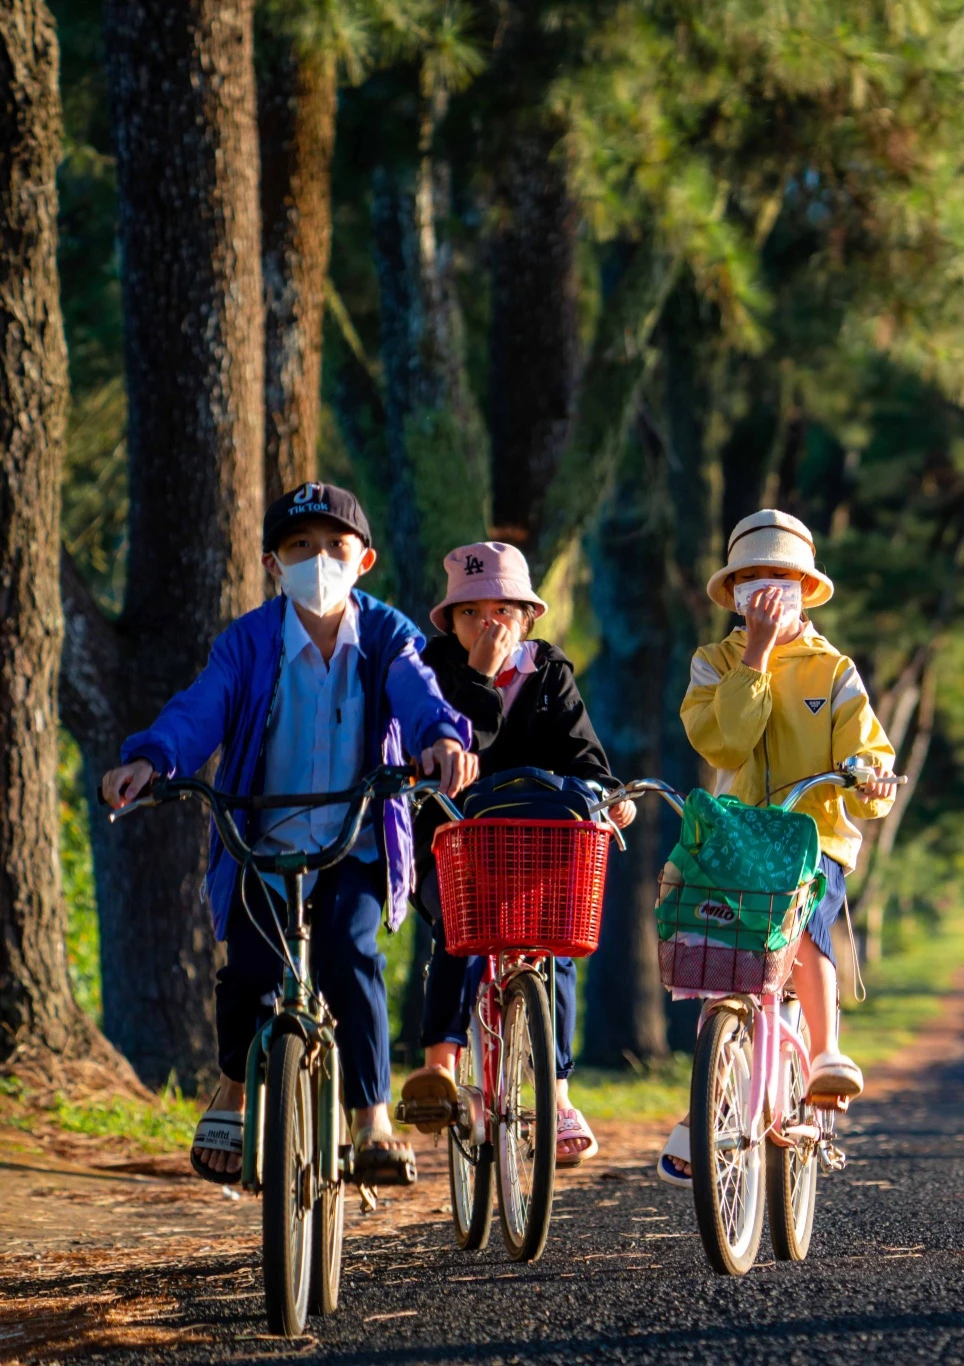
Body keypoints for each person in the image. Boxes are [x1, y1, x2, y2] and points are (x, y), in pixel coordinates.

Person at [100, 482, 478, 1185]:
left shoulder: (387, 634)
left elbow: (420, 693)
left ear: (364, 560)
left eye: (336, 547)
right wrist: (152, 758)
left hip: (354, 841)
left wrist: (441, 741)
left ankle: (372, 1119)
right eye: (299, 548)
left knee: (347, 951)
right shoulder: (248, 640)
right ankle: (235, 1090)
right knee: (246, 966)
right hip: (262, 840)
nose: (319, 561)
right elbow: (199, 710)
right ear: (273, 564)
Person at [659, 509, 900, 1187]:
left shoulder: (834, 670)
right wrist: (757, 659)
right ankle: (712, 1099)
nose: (767, 590)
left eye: (781, 576)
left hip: (809, 833)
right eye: (753, 577)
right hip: (735, 834)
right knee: (713, 952)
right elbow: (725, 743)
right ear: (734, 590)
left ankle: (824, 1054)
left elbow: (867, 755)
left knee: (804, 920)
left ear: (806, 585)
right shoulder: (713, 664)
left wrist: (871, 781)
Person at [397, 542, 636, 1167]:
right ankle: (441, 1070)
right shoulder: (431, 671)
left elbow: (584, 755)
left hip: (536, 852)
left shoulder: (548, 671)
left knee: (555, 947)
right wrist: (477, 678)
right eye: (472, 611)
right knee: (460, 932)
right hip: (455, 847)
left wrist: (609, 797)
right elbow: (439, 748)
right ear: (450, 620)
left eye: (504, 608)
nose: (490, 623)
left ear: (528, 616)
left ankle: (556, 1098)